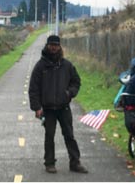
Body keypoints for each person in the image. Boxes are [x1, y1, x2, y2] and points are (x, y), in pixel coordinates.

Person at [28, 35, 88, 174]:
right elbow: (33, 89)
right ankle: (49, 163)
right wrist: (37, 108)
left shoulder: (67, 65)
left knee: (69, 135)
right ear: (47, 46)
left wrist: (69, 93)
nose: (53, 47)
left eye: (56, 45)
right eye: (51, 45)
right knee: (49, 136)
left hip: (63, 107)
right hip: (47, 109)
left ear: (59, 46)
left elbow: (76, 82)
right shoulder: (40, 66)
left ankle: (75, 162)